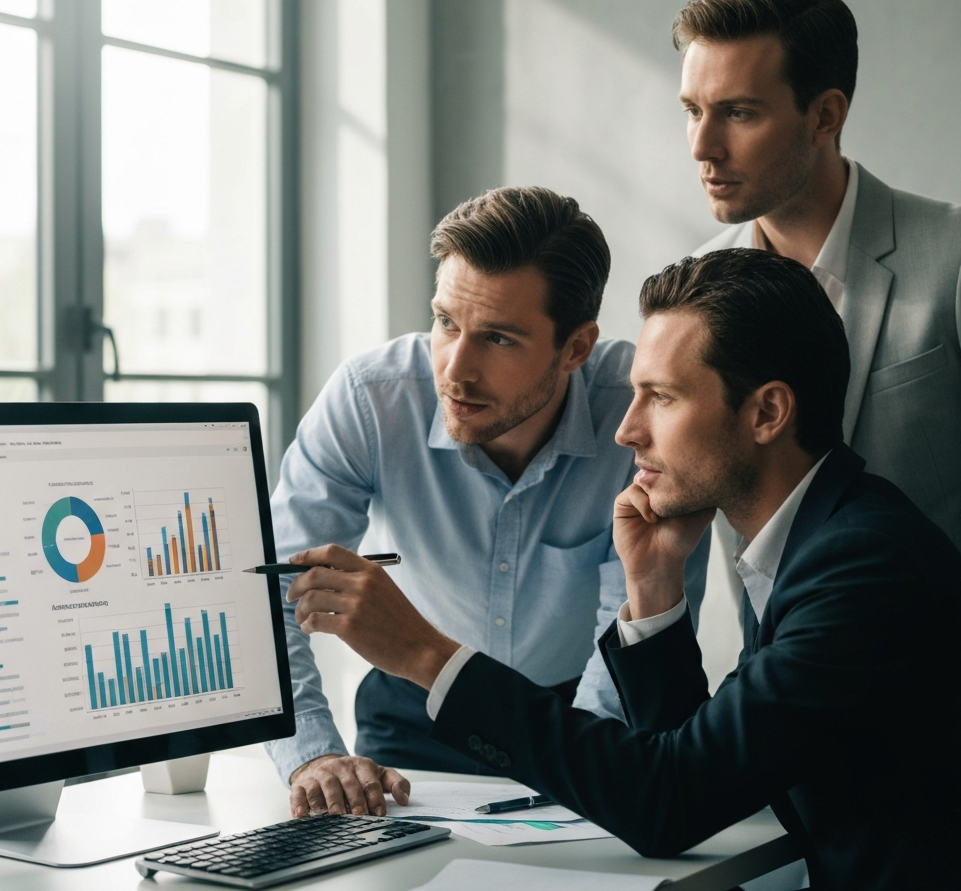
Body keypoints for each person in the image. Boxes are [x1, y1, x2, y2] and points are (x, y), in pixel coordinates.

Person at [286, 248, 961, 890]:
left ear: (767, 413)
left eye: (662, 398)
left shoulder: (861, 572)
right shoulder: (817, 541)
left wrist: (425, 652)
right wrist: (655, 592)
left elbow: (672, 799)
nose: (627, 430)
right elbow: (707, 769)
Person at [266, 186, 709, 819]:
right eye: (446, 322)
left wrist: (576, 765)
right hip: (409, 723)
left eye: (498, 339)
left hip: (572, 712)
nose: (455, 370)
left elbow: (636, 624)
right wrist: (312, 754)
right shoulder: (371, 399)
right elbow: (271, 591)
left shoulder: (641, 418)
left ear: (577, 348)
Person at [679, 0, 961, 550]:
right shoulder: (695, 292)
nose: (702, 146)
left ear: (826, 116)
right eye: (692, 110)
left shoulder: (952, 257)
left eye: (737, 113)